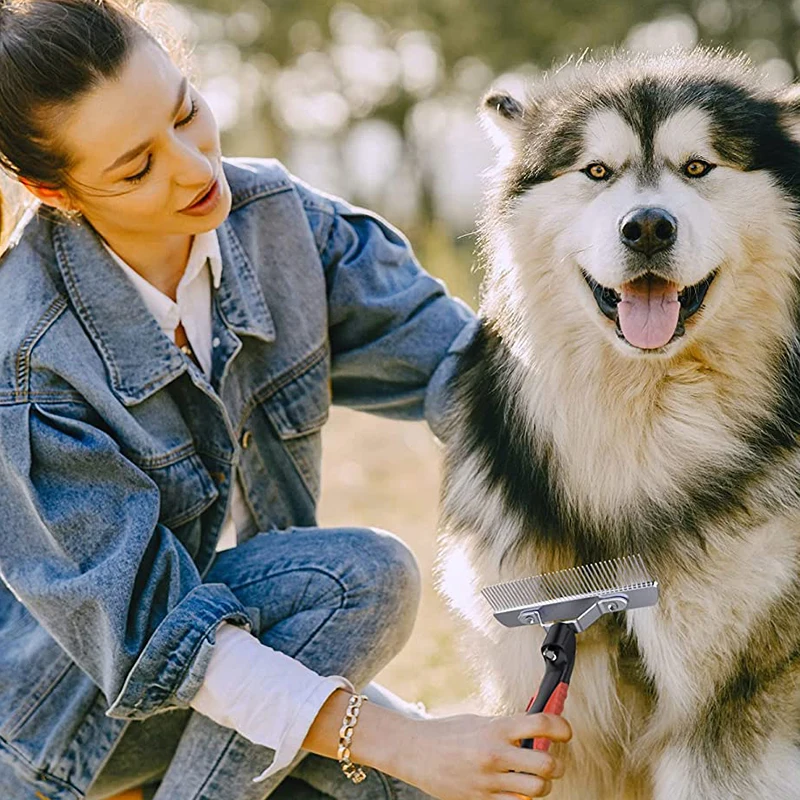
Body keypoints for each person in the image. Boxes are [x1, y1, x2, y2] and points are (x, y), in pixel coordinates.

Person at [0, 1, 572, 799]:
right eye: (136, 169)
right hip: (58, 725)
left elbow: (470, 373)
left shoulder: (277, 224)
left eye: (186, 114)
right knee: (358, 579)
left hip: (239, 659)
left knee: (407, 791)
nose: (195, 169)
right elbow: (154, 640)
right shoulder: (27, 358)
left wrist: (622, 477)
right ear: (50, 189)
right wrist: (403, 738)